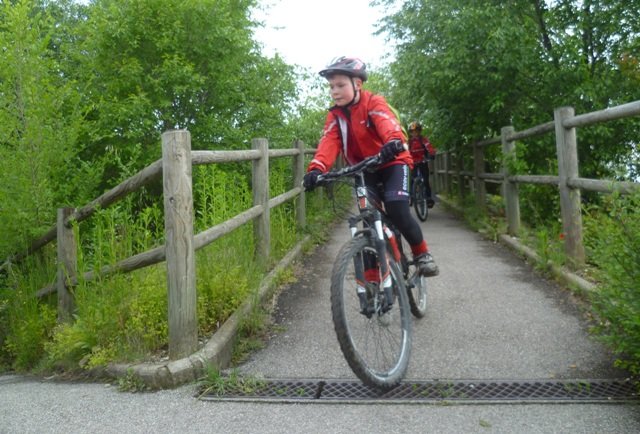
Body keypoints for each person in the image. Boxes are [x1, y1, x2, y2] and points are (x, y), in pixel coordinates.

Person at [303, 56, 438, 277]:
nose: (334, 91)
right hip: (364, 169)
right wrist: (316, 169)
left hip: (393, 162)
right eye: (331, 87)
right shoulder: (335, 116)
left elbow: (387, 122)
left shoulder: (373, 103)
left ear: (357, 84)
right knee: (368, 218)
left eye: (340, 85)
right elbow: (328, 142)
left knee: (397, 209)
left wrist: (393, 141)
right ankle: (373, 280)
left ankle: (422, 253)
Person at [408, 121, 436, 208]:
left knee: (426, 180)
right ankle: (411, 197)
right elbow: (405, 151)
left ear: (419, 131)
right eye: (412, 132)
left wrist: (431, 154)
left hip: (423, 161)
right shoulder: (409, 142)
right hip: (413, 162)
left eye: (416, 131)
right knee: (412, 180)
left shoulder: (423, 139)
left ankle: (428, 198)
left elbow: (429, 147)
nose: (414, 133)